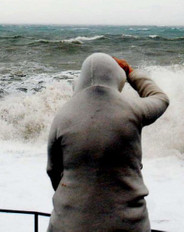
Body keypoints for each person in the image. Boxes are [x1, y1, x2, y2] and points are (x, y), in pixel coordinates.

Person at [46, 53, 170, 232]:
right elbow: (160, 98)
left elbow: (53, 170)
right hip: (129, 224)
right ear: (116, 77)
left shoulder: (62, 116)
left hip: (68, 225)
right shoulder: (133, 110)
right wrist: (131, 73)